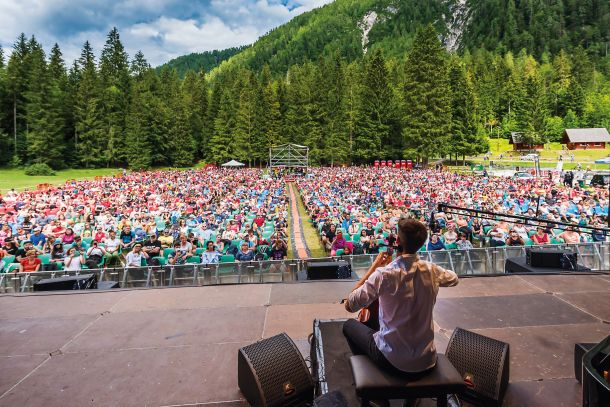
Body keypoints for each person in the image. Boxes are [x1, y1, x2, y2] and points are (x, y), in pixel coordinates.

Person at [342, 219, 458, 376]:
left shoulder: (384, 274)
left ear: (397, 241)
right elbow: (454, 278)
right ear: (422, 243)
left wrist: (375, 267)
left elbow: (350, 305)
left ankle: (369, 373)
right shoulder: (432, 270)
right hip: (427, 360)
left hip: (391, 360)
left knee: (349, 326)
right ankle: (412, 399)